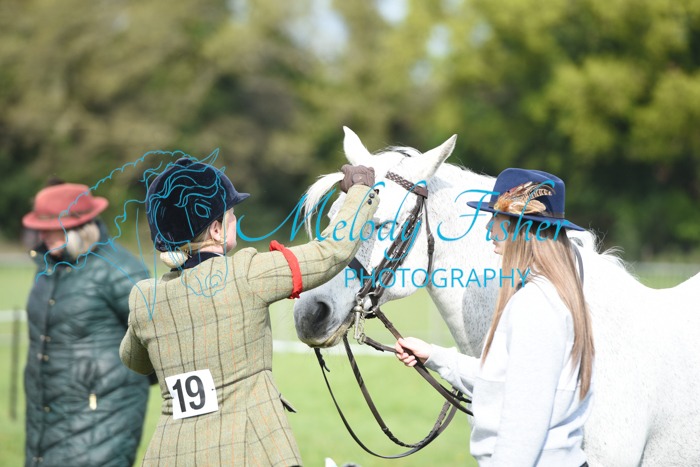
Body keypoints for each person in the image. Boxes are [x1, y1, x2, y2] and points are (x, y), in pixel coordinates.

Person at [119, 157, 377, 466]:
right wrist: (360, 192)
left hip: (170, 455)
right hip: (249, 450)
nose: (236, 220)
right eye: (231, 214)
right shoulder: (246, 273)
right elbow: (330, 253)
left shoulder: (145, 298)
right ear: (216, 230)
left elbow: (134, 361)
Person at [395, 168, 594, 467]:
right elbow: (507, 382)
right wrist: (434, 356)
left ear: (520, 228)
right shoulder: (551, 295)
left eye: (497, 218)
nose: (489, 228)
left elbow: (523, 425)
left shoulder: (534, 305)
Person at [21, 182, 151, 467]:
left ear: (80, 228)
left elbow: (156, 342)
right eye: (40, 228)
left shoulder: (120, 270)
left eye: (51, 228)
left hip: (103, 421)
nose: (42, 235)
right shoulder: (48, 268)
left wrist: (101, 388)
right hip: (45, 419)